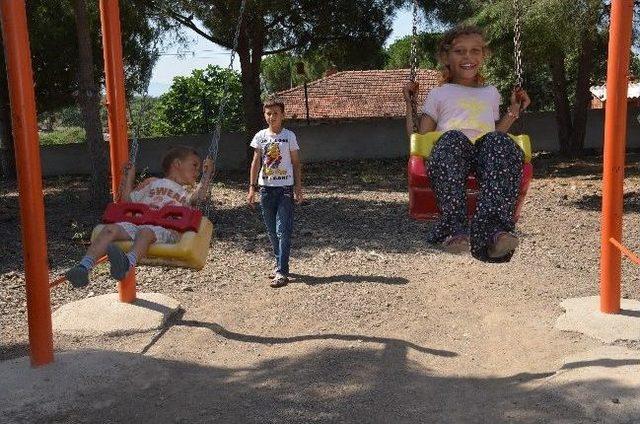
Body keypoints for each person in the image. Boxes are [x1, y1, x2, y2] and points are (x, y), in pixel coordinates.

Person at [403, 25, 531, 263]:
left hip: (484, 154)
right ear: (446, 57)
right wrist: (409, 104)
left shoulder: (491, 92)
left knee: (498, 142)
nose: (468, 57)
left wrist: (513, 111)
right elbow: (419, 136)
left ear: (483, 55)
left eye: (475, 51)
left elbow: (493, 132)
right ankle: (455, 229)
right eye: (460, 51)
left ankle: (494, 232)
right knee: (452, 138)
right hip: (451, 157)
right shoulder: (439, 93)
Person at [65, 146, 213, 287]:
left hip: (165, 230)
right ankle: (84, 267)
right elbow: (128, 201)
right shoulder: (152, 182)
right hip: (138, 224)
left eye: (200, 169)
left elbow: (198, 198)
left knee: (145, 232)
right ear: (177, 164)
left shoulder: (185, 194)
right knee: (110, 229)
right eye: (195, 165)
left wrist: (207, 175)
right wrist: (129, 177)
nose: (198, 171)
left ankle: (127, 265)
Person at [247, 98, 303, 288]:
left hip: (285, 189)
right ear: (265, 115)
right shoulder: (260, 136)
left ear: (283, 115)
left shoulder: (289, 136)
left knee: (283, 231)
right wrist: (251, 187)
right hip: (265, 189)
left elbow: (296, 163)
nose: (272, 117)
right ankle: (279, 264)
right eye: (268, 113)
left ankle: (281, 272)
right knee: (272, 231)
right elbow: (256, 162)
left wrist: (298, 188)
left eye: (276, 113)